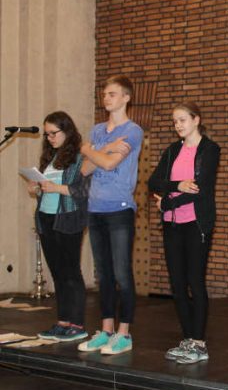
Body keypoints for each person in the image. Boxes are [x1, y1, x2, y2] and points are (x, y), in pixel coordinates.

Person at [148, 102, 220, 364]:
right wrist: (177, 185)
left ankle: (200, 343)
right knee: (177, 285)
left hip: (196, 223)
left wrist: (167, 201)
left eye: (182, 120)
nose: (178, 125)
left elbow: (200, 189)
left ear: (196, 120)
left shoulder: (210, 149)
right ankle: (188, 338)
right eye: (175, 121)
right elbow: (153, 182)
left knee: (195, 281)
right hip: (172, 224)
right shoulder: (172, 150)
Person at [78, 75, 143, 355]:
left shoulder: (133, 131)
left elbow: (108, 162)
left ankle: (124, 333)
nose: (107, 98)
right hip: (95, 208)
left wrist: (91, 152)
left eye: (113, 94)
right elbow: (84, 170)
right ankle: (106, 330)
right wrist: (95, 150)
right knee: (102, 274)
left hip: (119, 209)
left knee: (121, 273)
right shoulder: (97, 131)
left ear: (127, 97)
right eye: (105, 94)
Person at [29, 112, 90, 342]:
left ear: (67, 131)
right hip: (46, 218)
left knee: (71, 271)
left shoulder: (79, 156)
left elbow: (82, 191)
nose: (50, 138)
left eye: (54, 133)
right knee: (58, 273)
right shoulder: (50, 157)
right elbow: (43, 189)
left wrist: (56, 189)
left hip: (68, 217)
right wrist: (34, 188)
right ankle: (63, 322)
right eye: (47, 135)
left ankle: (77, 324)